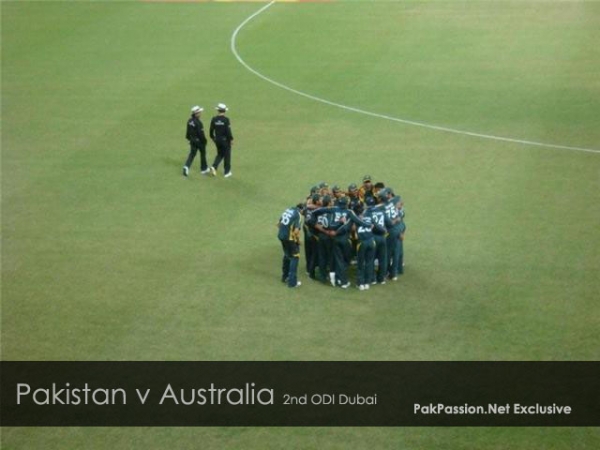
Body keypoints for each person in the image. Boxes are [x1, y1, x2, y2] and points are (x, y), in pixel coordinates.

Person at [277, 204, 303, 288]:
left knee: (287, 255)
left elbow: (278, 224)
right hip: (290, 239)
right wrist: (298, 241)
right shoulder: (298, 215)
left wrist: (284, 232)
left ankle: (285, 277)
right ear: (301, 210)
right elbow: (296, 231)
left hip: (281, 236)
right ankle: (292, 283)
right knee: (295, 257)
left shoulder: (287, 210)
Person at [209, 103, 234, 178]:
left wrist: (213, 138)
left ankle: (214, 166)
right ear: (224, 111)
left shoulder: (214, 119)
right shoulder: (226, 120)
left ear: (218, 110)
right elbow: (228, 131)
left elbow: (211, 130)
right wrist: (231, 139)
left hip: (217, 140)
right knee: (227, 155)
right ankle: (227, 172)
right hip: (225, 141)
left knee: (220, 154)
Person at [183, 106, 208, 177]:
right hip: (199, 141)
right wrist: (205, 141)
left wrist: (189, 139)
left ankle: (186, 166)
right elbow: (201, 134)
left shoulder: (189, 121)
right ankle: (204, 169)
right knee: (203, 154)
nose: (201, 113)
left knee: (192, 154)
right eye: (200, 112)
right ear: (196, 113)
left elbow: (188, 132)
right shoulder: (199, 123)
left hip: (192, 140)